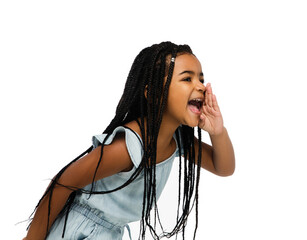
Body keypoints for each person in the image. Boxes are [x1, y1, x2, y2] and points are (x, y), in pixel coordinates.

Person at [23, 42, 236, 240]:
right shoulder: (128, 147)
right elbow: (63, 182)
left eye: (201, 78)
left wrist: (217, 132)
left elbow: (223, 167)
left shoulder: (177, 141)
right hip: (78, 231)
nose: (201, 86)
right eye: (187, 78)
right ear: (153, 94)